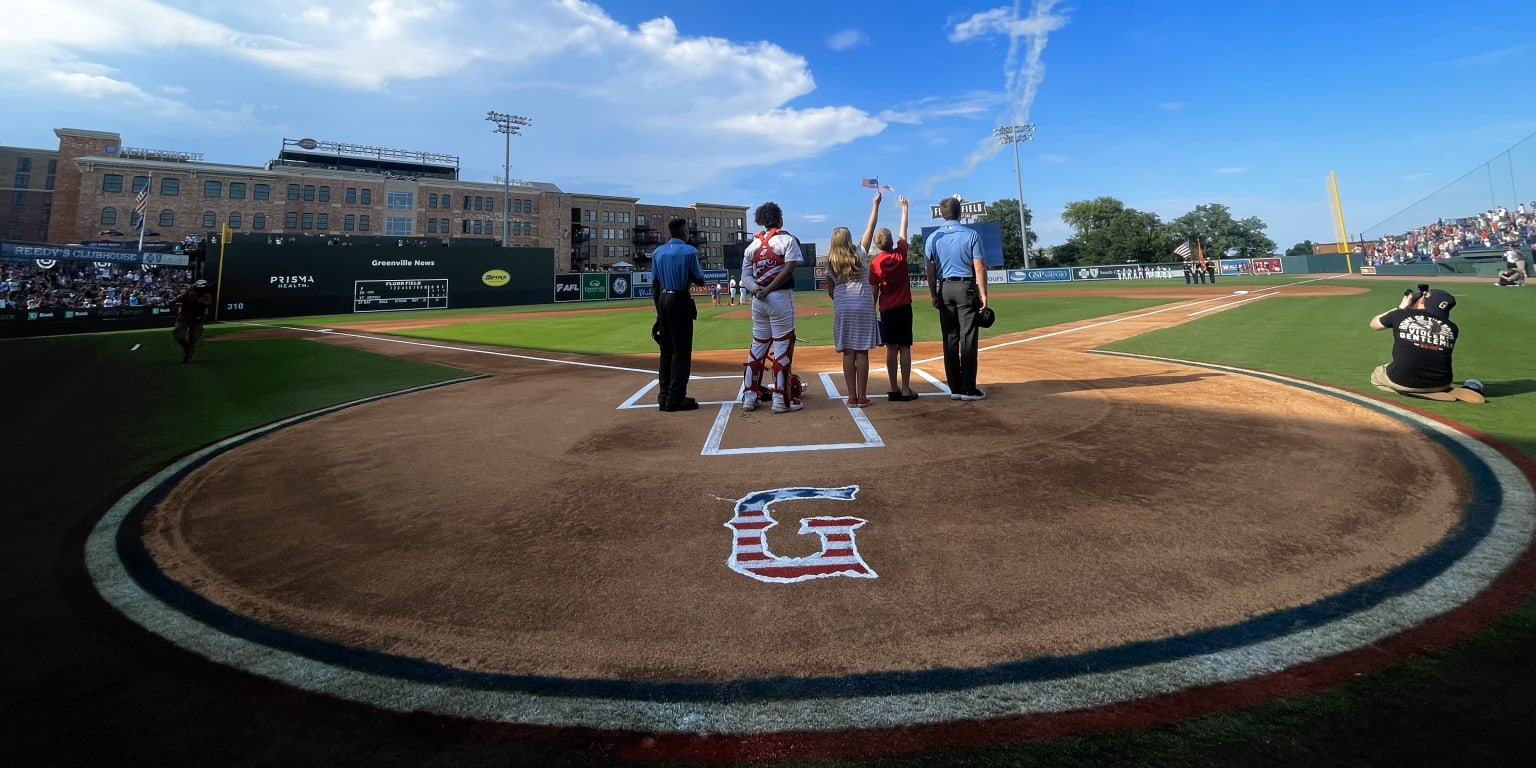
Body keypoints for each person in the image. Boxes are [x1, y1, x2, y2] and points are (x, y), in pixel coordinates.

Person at [740, 201, 804, 413]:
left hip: (758, 302)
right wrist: (768, 290)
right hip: (780, 299)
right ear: (779, 219)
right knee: (782, 348)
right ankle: (780, 400)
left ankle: (749, 396)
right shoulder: (788, 240)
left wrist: (758, 290)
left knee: (757, 347)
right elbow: (788, 269)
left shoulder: (752, 246)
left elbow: (745, 277)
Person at [1368, 286, 1483, 403]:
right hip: (1441, 383)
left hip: (1401, 380)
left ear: (1422, 300)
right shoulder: (1452, 327)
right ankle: (1436, 389)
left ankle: (1410, 390)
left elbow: (1374, 324)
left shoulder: (1400, 314)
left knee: (1377, 375)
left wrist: (1400, 307)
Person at [924, 197, 988, 401]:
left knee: (950, 338)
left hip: (944, 288)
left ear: (942, 214)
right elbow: (979, 265)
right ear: (960, 212)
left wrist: (933, 294)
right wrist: (983, 292)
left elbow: (930, 270)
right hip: (965, 287)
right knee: (967, 337)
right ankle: (968, 388)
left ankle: (954, 388)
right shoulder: (971, 234)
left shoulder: (933, 237)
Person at [825, 195, 881, 407]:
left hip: (843, 306)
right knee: (862, 351)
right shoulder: (860, 252)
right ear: (848, 240)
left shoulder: (830, 262)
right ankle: (863, 396)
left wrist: (841, 300)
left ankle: (851, 396)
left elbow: (831, 290)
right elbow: (871, 226)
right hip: (863, 305)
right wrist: (875, 204)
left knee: (848, 352)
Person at [651, 218, 706, 412]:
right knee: (681, 352)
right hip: (680, 301)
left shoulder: (658, 252)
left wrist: (659, 313)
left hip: (664, 301)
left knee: (666, 350)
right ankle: (676, 398)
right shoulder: (690, 252)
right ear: (683, 232)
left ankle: (664, 396)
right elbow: (700, 280)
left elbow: (655, 285)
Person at [868, 192, 917, 401]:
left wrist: (872, 311)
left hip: (887, 309)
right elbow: (903, 233)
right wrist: (904, 209)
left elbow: (874, 290)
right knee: (904, 347)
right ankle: (906, 389)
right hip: (904, 307)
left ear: (878, 245)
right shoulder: (900, 254)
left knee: (891, 349)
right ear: (890, 242)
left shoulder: (876, 263)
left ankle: (893, 388)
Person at [172, 278, 214, 363]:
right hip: (184, 318)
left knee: (193, 339)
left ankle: (188, 355)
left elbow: (209, 303)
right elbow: (178, 299)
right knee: (179, 336)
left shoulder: (206, 295)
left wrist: (202, 301)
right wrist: (173, 301)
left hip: (197, 320)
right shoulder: (189, 293)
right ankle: (187, 349)